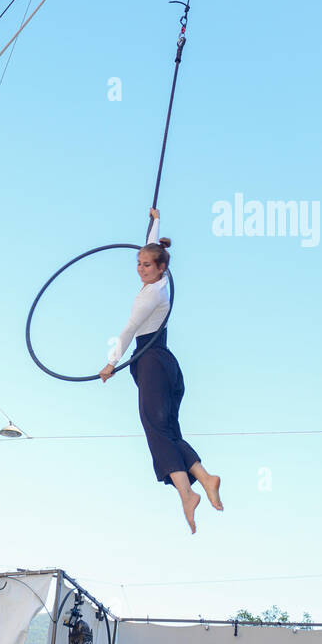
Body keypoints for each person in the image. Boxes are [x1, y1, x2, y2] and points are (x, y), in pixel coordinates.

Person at [99, 209, 221, 534]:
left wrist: (111, 363)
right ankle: (205, 478)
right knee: (167, 431)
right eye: (138, 264)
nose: (141, 269)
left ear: (161, 267)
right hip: (166, 363)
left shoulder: (148, 297)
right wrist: (155, 221)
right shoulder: (163, 281)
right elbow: (152, 246)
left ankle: (187, 493)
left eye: (147, 265)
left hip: (150, 361)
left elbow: (127, 331)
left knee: (155, 430)